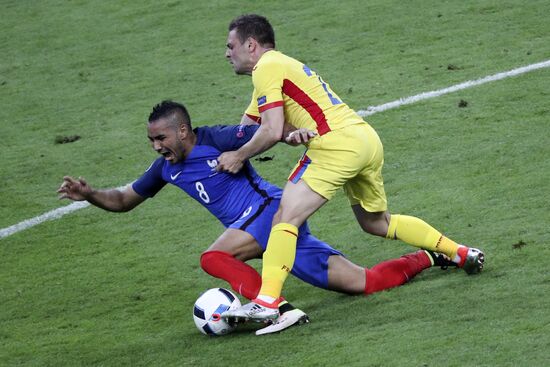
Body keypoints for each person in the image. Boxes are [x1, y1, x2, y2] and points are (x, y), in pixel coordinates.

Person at [58, 101, 455, 335]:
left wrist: (293, 135)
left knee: (213, 257)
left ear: (182, 130)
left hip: (271, 213)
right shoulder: (165, 169)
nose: (157, 147)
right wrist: (90, 194)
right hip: (273, 234)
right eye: (151, 141)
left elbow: (267, 129)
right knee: (365, 284)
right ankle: (430, 258)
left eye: (161, 138)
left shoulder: (215, 137)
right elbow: (124, 199)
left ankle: (277, 307)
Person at [218, 14, 485, 322]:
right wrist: (265, 139)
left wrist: (238, 157)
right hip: (365, 140)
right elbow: (249, 128)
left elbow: (268, 130)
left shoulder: (266, 68)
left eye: (231, 46)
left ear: (251, 45)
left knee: (284, 216)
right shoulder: (276, 68)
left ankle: (267, 302)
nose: (227, 53)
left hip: (335, 144)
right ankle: (459, 252)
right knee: (376, 223)